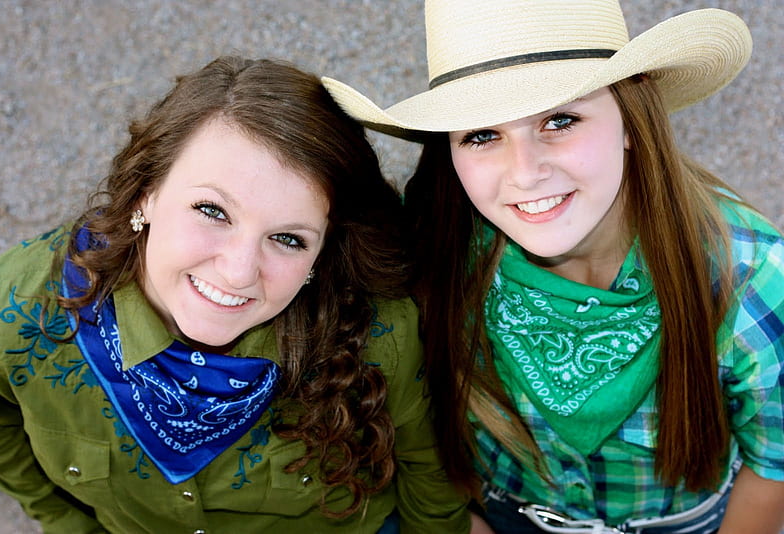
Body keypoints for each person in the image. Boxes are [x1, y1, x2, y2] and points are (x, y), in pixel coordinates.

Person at [322, 0, 784, 532]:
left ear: (632, 121)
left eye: (560, 119)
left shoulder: (751, 274)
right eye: (481, 134)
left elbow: (772, 467)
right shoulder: (436, 244)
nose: (525, 173)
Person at [0, 56, 470, 533]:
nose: (239, 273)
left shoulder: (379, 329)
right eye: (213, 211)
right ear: (145, 192)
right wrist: (64, 523)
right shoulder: (15, 312)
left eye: (288, 239)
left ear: (322, 253)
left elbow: (428, 474)